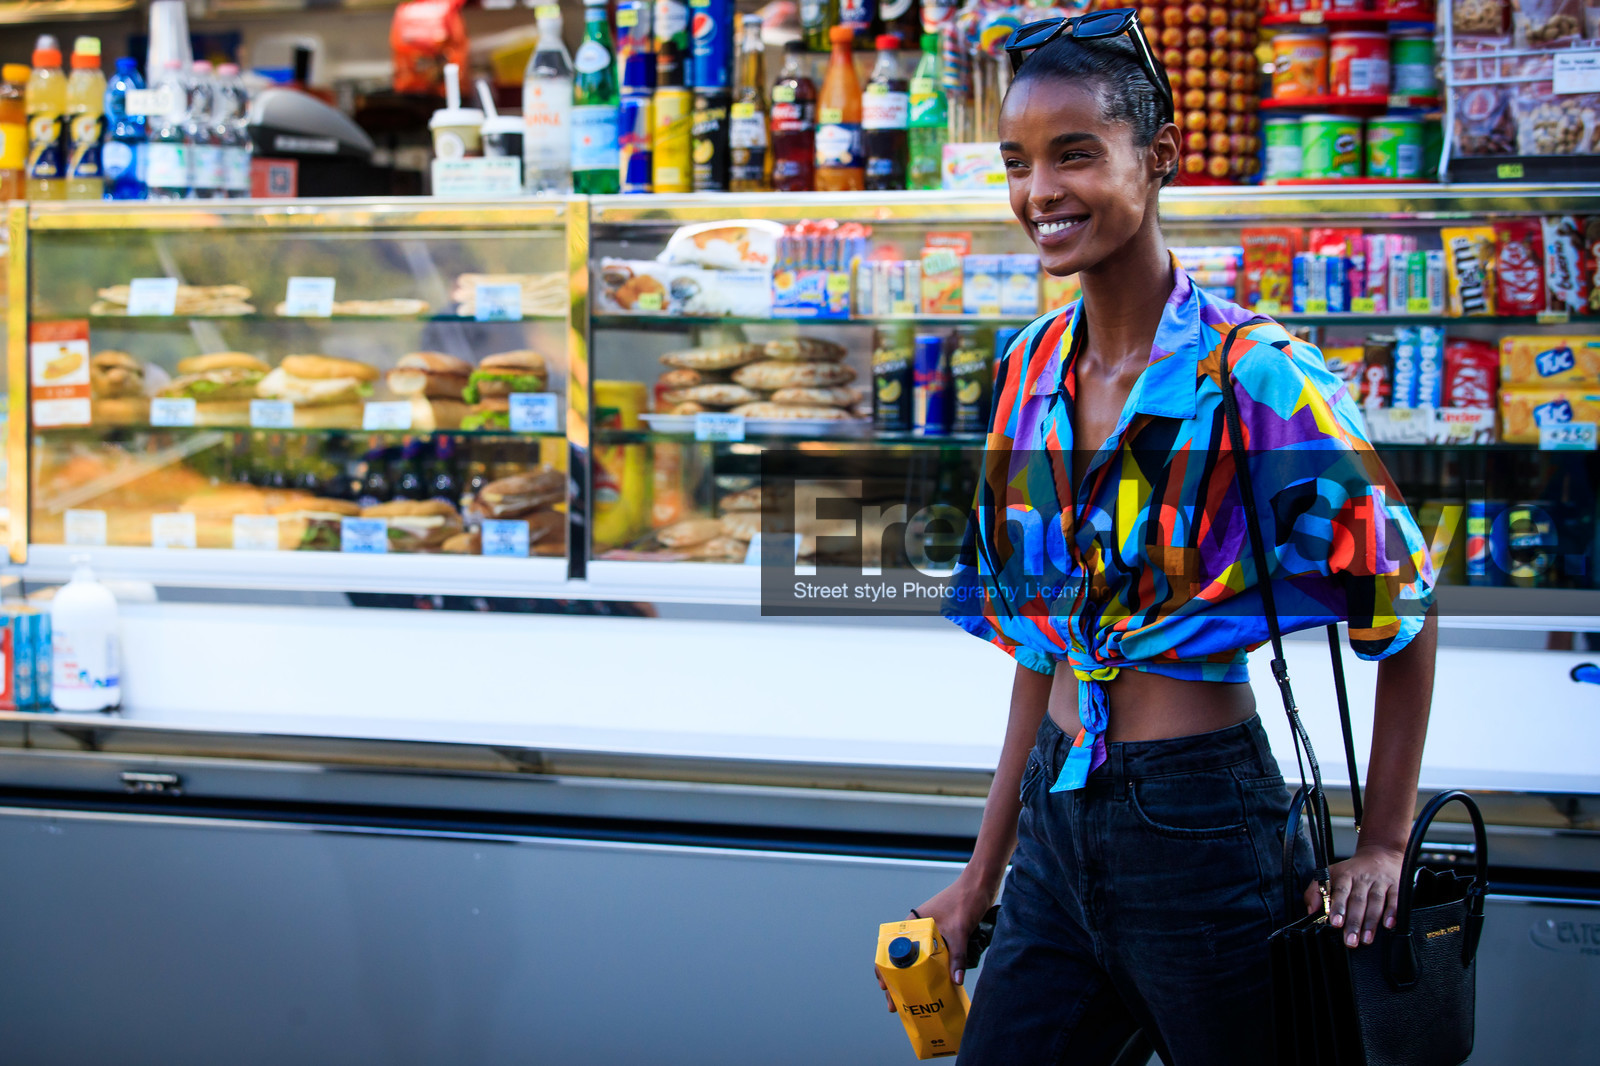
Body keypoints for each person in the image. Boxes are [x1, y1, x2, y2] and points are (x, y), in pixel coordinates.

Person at [875, 12, 1439, 1065]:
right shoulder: (1027, 373)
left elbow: (1401, 604)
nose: (1039, 191)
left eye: (1074, 153)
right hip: (1054, 829)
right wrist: (981, 870)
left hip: (1203, 832)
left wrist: (1385, 841)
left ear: (1158, 158)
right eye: (1018, 163)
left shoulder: (1255, 379)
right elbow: (1041, 646)